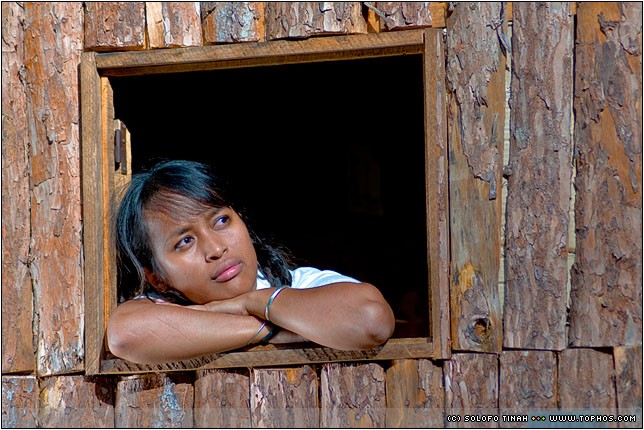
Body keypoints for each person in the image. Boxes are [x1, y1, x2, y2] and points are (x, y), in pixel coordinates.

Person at [106, 159, 395, 364]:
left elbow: (370, 320)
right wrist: (271, 326)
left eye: (221, 220)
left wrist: (254, 302)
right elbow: (124, 335)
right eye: (185, 241)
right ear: (157, 277)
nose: (216, 248)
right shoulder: (159, 308)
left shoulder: (302, 285)